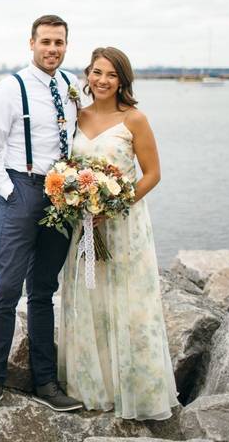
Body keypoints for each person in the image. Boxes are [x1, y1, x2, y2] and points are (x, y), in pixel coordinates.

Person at [0, 15, 84, 416]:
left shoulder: (71, 87)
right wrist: (10, 193)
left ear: (66, 45)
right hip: (23, 189)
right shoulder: (10, 88)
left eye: (59, 42)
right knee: (5, 290)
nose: (53, 49)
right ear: (31, 44)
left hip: (62, 196)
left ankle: (45, 382)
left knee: (43, 291)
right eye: (46, 42)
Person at [58, 46, 179, 421]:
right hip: (83, 227)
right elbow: (65, 166)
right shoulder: (76, 116)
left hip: (124, 226)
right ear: (88, 75)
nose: (102, 80)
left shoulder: (135, 119)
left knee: (128, 302)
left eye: (111, 75)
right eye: (97, 72)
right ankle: (93, 387)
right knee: (89, 300)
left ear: (123, 81)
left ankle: (138, 391)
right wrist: (79, 201)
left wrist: (112, 207)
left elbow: (152, 174)